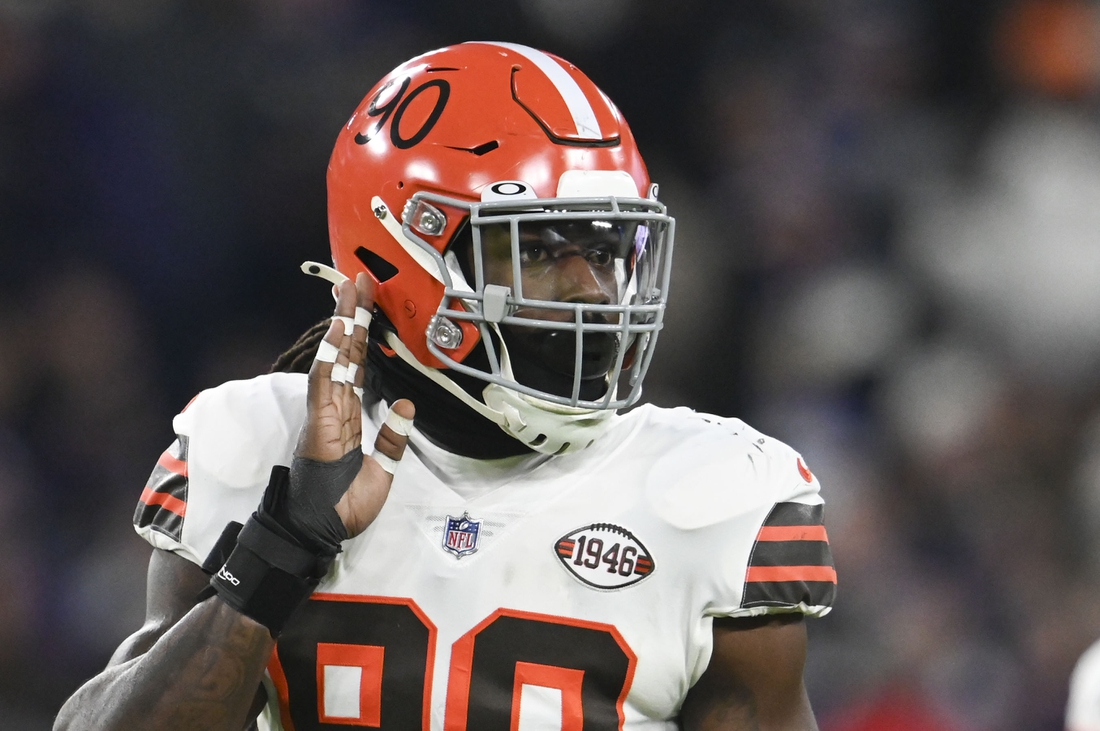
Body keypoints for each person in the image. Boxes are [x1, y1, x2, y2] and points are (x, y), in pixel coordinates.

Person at [53, 41, 836, 731]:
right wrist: (282, 543)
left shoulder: (712, 493)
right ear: (401, 256)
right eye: (541, 249)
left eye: (603, 247)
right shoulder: (250, 445)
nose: (593, 290)